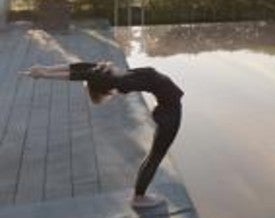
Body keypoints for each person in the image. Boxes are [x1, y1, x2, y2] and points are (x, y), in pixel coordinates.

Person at [21, 61, 184, 208]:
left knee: (154, 157)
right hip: (170, 115)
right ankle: (139, 197)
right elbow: (79, 75)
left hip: (166, 111)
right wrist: (44, 75)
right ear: (106, 84)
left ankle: (139, 195)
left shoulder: (111, 73)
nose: (108, 64)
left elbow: (79, 67)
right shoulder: (120, 81)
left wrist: (46, 68)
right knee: (155, 158)